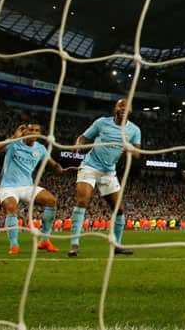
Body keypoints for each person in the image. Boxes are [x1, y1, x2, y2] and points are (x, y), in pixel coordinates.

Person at [68, 99, 141, 258]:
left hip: (109, 172)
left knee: (119, 209)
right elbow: (83, 137)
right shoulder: (101, 123)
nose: (122, 108)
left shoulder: (134, 130)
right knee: (83, 201)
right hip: (90, 166)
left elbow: (137, 153)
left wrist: (129, 149)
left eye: (126, 106)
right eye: (120, 105)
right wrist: (78, 144)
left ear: (131, 110)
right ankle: (74, 245)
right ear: (115, 108)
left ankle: (117, 245)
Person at [0, 123, 72, 255]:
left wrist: (61, 170)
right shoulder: (14, 143)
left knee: (51, 201)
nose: (33, 132)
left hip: (27, 186)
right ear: (25, 131)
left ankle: (44, 240)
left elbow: (52, 164)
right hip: (9, 187)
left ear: (39, 134)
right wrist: (13, 137)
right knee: (11, 208)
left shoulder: (40, 149)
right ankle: (14, 245)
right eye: (31, 129)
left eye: (37, 130)